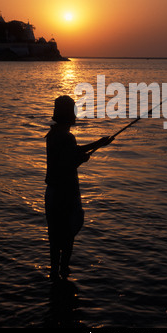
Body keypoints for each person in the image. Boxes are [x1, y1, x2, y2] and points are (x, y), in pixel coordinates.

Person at [45, 95, 113, 281]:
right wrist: (82, 159)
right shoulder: (67, 137)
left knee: (54, 238)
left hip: (51, 193)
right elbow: (70, 162)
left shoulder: (53, 134)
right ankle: (64, 275)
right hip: (65, 194)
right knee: (67, 238)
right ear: (68, 114)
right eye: (74, 110)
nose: (76, 113)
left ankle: (54, 275)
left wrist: (99, 143)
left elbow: (71, 154)